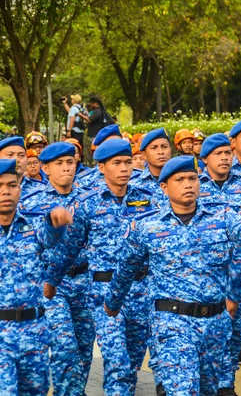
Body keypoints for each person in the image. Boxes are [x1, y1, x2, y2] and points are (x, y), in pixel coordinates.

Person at [103, 155, 241, 396]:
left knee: (208, 390)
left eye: (192, 178)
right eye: (179, 179)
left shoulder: (220, 216)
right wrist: (112, 303)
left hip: (214, 322)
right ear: (164, 187)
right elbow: (126, 268)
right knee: (183, 390)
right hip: (172, 321)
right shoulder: (148, 226)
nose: (188, 184)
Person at [67, 139, 159, 395]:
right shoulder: (87, 203)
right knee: (117, 362)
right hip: (103, 292)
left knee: (130, 366)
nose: (124, 168)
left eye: (128, 162)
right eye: (117, 163)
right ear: (101, 167)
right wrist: (51, 281)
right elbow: (70, 248)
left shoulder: (149, 200)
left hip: (141, 291)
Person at [20, 142, 96, 396]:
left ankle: (73, 391)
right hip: (51, 286)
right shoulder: (32, 202)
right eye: (59, 164)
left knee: (85, 350)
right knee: (64, 347)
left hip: (85, 281)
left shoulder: (89, 197)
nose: (66, 168)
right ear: (46, 168)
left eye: (70, 162)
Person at [0, 158, 74, 394]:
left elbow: (49, 237)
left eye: (12, 185)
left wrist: (56, 222)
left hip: (34, 331)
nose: (6, 192)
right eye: (0, 186)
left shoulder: (31, 225)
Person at [196, 133, 241, 392]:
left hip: (240, 272)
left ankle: (225, 385)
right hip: (209, 273)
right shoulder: (195, 185)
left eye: (227, 153)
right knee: (212, 333)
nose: (225, 158)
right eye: (218, 154)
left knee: (235, 334)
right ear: (205, 159)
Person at [130, 128, 172, 196]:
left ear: (170, 150)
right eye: (154, 148)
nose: (161, 152)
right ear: (144, 155)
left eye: (164, 147)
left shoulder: (183, 181)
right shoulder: (134, 186)